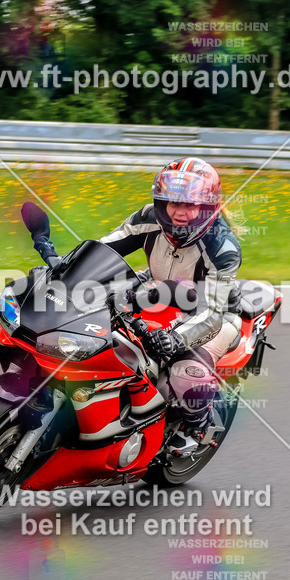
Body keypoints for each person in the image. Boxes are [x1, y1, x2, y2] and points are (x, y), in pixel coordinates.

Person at [100, 157, 242, 455]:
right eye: (173, 203)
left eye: (190, 205)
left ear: (207, 207)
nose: (179, 212)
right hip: (160, 293)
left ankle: (197, 426)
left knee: (185, 373)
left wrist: (175, 338)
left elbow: (211, 313)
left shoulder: (223, 247)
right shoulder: (148, 218)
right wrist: (62, 268)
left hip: (214, 316)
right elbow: (102, 250)